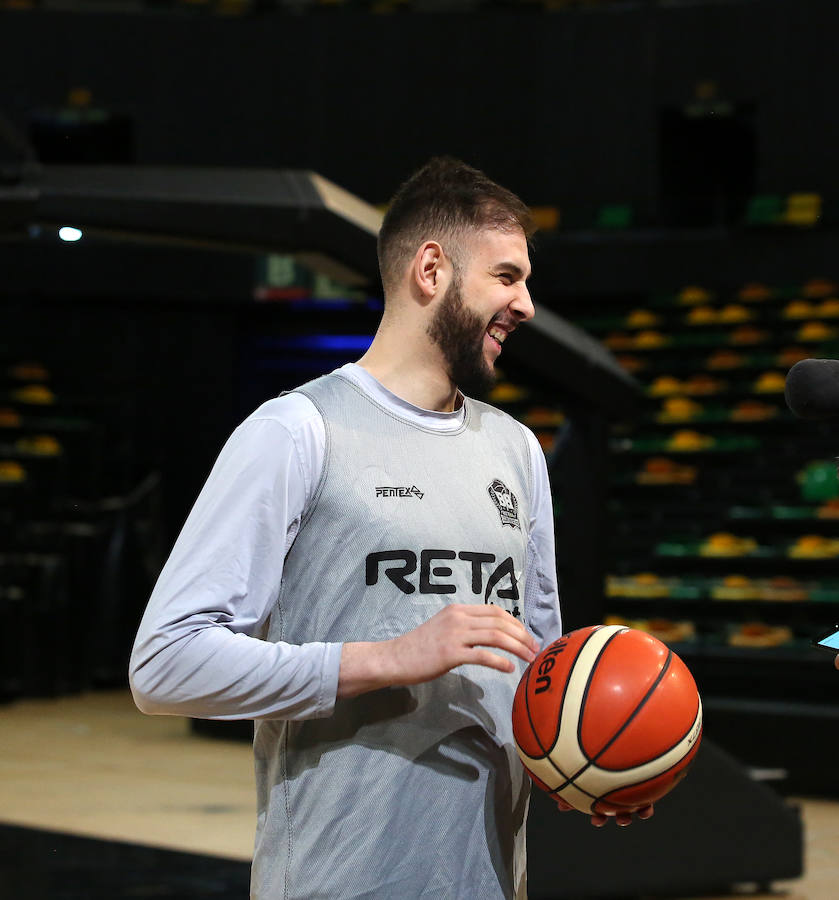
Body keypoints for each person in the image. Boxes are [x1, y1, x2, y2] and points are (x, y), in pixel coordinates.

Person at [129, 157, 645, 900]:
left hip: (491, 881)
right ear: (430, 269)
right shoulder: (296, 431)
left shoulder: (517, 451)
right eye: (506, 277)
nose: (526, 305)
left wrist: (591, 761)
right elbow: (165, 665)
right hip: (337, 879)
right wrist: (387, 657)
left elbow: (540, 679)